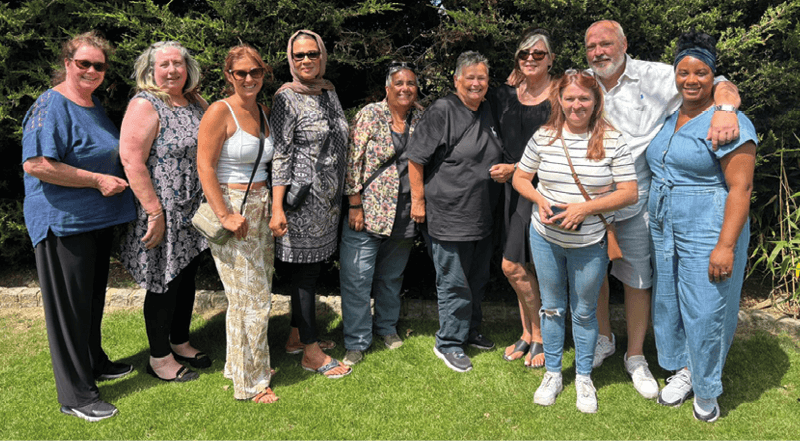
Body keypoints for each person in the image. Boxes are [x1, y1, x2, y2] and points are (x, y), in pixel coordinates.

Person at [584, 19, 741, 400]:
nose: (599, 52)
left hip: (639, 201)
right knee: (593, 273)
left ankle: (635, 356)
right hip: (588, 200)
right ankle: (604, 339)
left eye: (606, 43)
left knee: (637, 277)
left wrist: (724, 107)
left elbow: (710, 80)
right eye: (591, 46)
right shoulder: (582, 81)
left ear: (624, 43)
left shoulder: (657, 76)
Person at [21, 31, 137, 421]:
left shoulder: (91, 104)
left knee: (90, 301)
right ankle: (77, 395)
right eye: (83, 63)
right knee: (69, 310)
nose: (91, 70)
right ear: (67, 63)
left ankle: (93, 362)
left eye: (99, 65)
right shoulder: (49, 105)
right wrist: (97, 180)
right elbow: (36, 164)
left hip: (95, 221)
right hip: (63, 223)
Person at [512, 69, 638, 413]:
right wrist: (538, 200)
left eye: (584, 97)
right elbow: (521, 177)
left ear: (596, 100)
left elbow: (630, 192)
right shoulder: (544, 136)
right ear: (560, 100)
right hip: (546, 238)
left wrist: (586, 208)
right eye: (570, 98)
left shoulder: (612, 140)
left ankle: (583, 376)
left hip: (590, 242)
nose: (576, 104)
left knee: (584, 314)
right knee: (551, 308)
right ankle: (553, 373)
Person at [647, 31, 756, 423]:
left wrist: (725, 245)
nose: (690, 80)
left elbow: (740, 188)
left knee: (707, 308)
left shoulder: (730, 122)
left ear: (714, 76)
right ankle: (685, 369)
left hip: (708, 223)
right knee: (672, 302)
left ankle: (707, 390)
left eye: (701, 72)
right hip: (666, 223)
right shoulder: (671, 114)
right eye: (683, 72)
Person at [119, 41, 210, 383]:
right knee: (163, 281)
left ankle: (180, 340)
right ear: (151, 70)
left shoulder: (196, 102)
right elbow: (131, 159)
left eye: (178, 63)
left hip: (191, 209)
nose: (172, 70)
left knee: (185, 276)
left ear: (188, 68)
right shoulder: (145, 104)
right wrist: (154, 212)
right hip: (161, 208)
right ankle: (159, 358)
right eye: (165, 64)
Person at [407, 51, 502, 373]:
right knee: (454, 282)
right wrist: (417, 203)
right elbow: (416, 159)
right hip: (447, 214)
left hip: (481, 213)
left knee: (477, 278)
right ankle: (448, 342)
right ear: (456, 80)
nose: (476, 83)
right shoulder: (444, 110)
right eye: (470, 77)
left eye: (482, 78)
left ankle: (470, 330)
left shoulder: (488, 109)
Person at [197, 45, 278, 403]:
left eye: (254, 72)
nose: (248, 79)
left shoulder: (262, 110)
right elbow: (205, 166)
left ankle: (238, 366)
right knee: (253, 300)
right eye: (240, 73)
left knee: (247, 295)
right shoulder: (219, 111)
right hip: (234, 209)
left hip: (260, 209)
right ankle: (252, 383)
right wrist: (226, 216)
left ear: (264, 75)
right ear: (229, 76)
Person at [269, 29, 351, 379]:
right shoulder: (286, 98)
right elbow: (281, 153)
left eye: (312, 54)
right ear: (290, 59)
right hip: (300, 204)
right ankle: (311, 354)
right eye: (299, 55)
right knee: (303, 274)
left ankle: (295, 338)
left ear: (322, 56)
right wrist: (276, 207)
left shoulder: (328, 91)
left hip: (328, 204)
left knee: (312, 271)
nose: (306, 61)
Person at [339, 62, 423, 366]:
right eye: (399, 83)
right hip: (368, 211)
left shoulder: (421, 118)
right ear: (388, 88)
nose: (405, 89)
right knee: (357, 278)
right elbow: (352, 161)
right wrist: (355, 204)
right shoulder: (370, 115)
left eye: (411, 83)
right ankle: (357, 341)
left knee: (391, 278)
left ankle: (387, 327)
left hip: (404, 213)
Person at [487, 28, 553, 368]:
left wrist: (515, 169)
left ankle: (542, 335)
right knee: (522, 266)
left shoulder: (560, 95)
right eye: (523, 55)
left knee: (513, 265)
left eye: (538, 54)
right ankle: (527, 333)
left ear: (551, 59)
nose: (530, 59)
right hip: (511, 191)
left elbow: (560, 147)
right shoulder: (506, 95)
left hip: (542, 188)